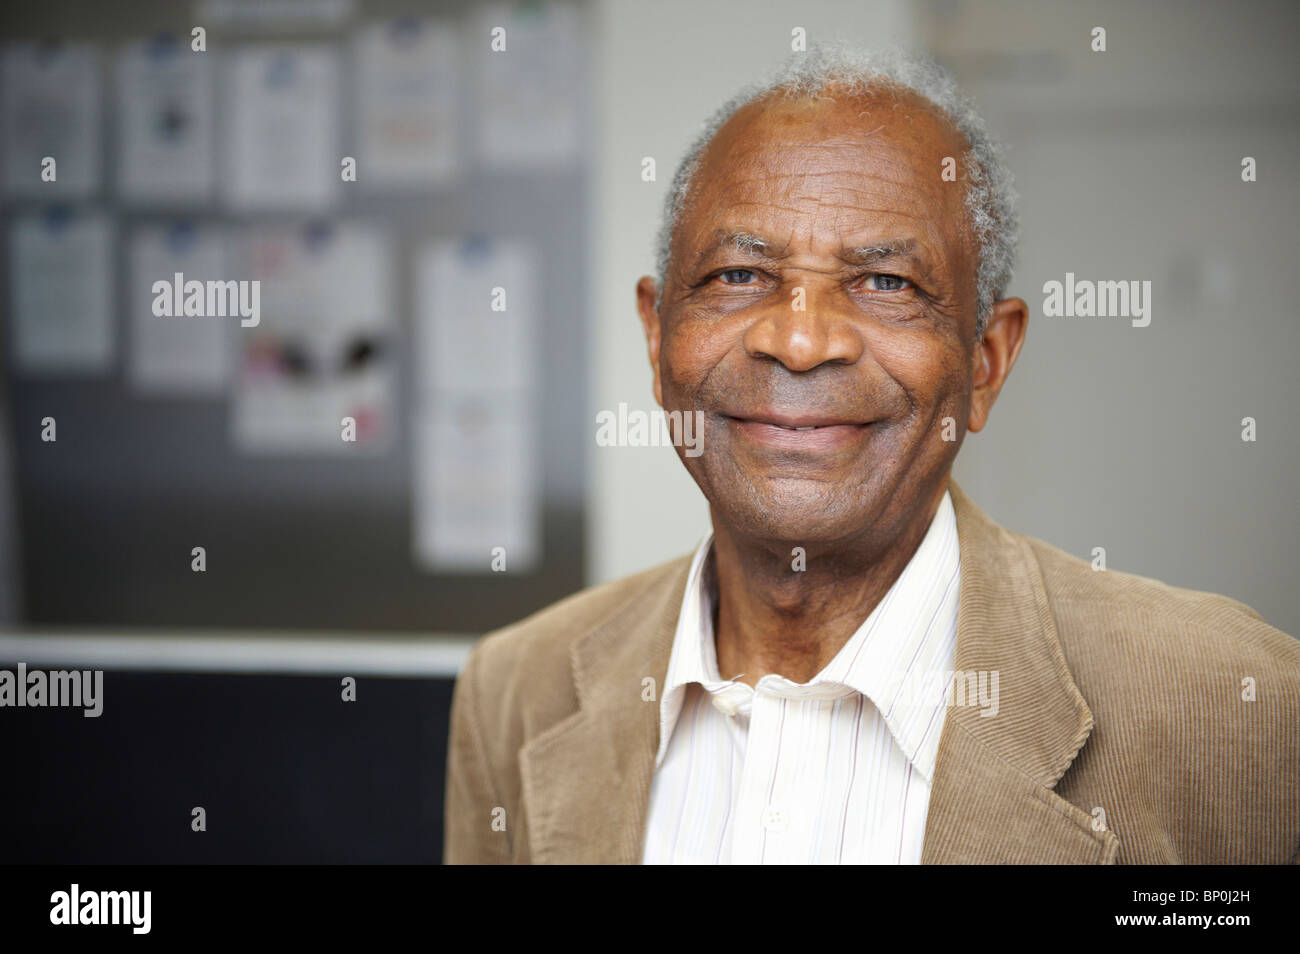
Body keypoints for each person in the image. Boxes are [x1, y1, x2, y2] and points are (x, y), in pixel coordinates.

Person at [444, 42, 1299, 864]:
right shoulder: (518, 691)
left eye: (887, 283)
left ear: (985, 362)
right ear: (658, 333)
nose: (800, 338)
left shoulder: (1235, 710)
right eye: (740, 275)